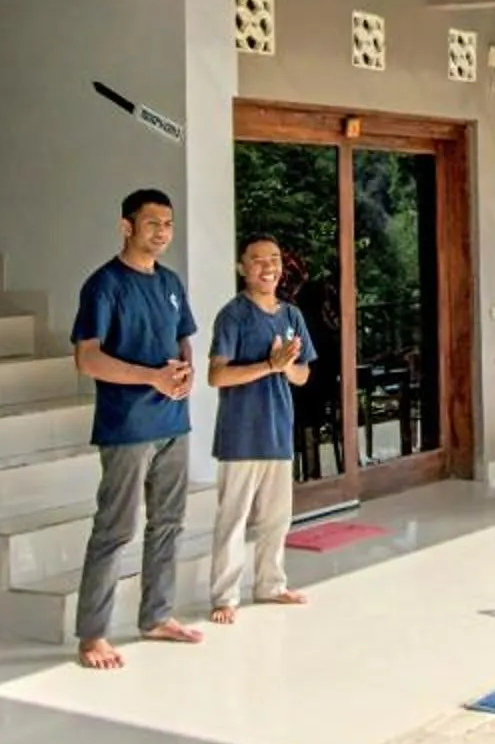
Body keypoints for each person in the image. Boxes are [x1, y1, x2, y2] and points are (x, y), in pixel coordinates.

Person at [70, 188, 199, 668]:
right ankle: (92, 636)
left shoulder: (170, 281)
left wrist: (185, 372)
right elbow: (86, 359)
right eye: (152, 224)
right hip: (127, 426)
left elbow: (183, 337)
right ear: (127, 226)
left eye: (167, 224)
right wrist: (152, 377)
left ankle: (156, 617)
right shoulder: (104, 285)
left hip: (174, 422)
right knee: (115, 529)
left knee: (168, 523)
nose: (161, 232)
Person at [203, 235, 317, 623]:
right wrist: (268, 366)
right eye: (257, 260)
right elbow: (216, 376)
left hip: (278, 431)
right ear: (241, 267)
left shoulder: (292, 315)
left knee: (277, 518)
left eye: (274, 259)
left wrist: (284, 366)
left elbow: (302, 376)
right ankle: (224, 596)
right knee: (233, 520)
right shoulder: (232, 315)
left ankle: (271, 584)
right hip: (240, 435)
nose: (268, 267)